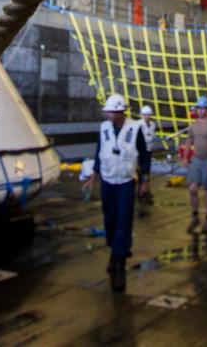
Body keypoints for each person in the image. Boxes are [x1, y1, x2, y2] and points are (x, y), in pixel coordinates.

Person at [85, 94, 150, 292]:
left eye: (111, 111)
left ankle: (120, 264)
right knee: (110, 220)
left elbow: (144, 155)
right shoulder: (104, 128)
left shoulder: (135, 128)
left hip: (126, 182)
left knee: (123, 221)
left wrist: (144, 180)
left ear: (120, 112)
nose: (108, 114)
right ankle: (115, 252)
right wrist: (92, 177)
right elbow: (99, 152)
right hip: (107, 180)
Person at [182, 96, 207, 231]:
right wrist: (185, 157)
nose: (200, 111)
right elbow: (189, 141)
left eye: (203, 108)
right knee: (192, 188)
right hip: (197, 160)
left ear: (206, 109)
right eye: (198, 108)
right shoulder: (194, 125)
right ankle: (195, 216)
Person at [138, 105, 157, 205]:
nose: (147, 116)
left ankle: (145, 191)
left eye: (148, 115)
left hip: (148, 150)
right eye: (145, 115)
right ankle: (142, 192)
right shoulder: (138, 124)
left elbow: (151, 136)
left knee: (146, 171)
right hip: (140, 151)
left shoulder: (152, 125)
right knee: (142, 171)